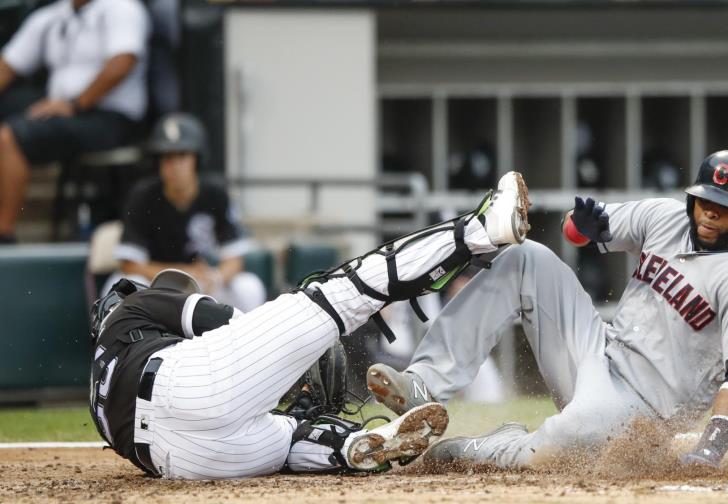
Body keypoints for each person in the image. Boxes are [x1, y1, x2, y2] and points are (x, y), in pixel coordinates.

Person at [87, 171, 532, 479]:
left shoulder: (98, 395)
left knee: (288, 436)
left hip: (182, 463)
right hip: (185, 385)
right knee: (335, 293)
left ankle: (350, 446)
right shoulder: (131, 309)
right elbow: (229, 322)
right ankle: (481, 229)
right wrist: (299, 355)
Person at [366, 150, 728, 469]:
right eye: (705, 200)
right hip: (599, 352)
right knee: (526, 257)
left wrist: (710, 450)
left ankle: (487, 448)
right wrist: (579, 226)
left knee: (565, 443)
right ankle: (424, 385)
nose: (711, 211)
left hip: (640, 413)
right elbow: (576, 231)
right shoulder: (666, 217)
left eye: (726, 205)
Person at [0, 0, 149, 243]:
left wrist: (76, 104)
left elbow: (122, 64)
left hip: (108, 118)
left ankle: (3, 233)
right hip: (63, 111)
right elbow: (7, 65)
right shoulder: (52, 15)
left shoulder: (122, 8)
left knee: (10, 136)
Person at [104, 112, 266, 312]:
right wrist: (183, 273)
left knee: (248, 287)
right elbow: (130, 265)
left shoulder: (216, 193)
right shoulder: (143, 195)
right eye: (167, 158)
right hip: (155, 285)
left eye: (182, 155)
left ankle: (242, 334)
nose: (175, 166)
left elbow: (234, 259)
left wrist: (216, 277)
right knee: (120, 288)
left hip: (203, 284)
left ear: (196, 158)